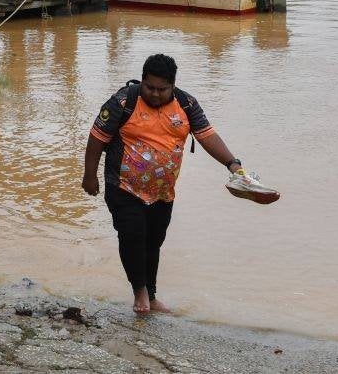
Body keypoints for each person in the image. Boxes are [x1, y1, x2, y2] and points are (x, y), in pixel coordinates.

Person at [83, 54, 259, 314]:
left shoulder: (186, 105)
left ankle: (151, 296)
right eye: (149, 87)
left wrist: (233, 165)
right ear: (141, 82)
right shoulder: (123, 101)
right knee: (133, 236)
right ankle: (140, 294)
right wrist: (89, 175)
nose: (155, 94)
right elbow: (97, 137)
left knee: (154, 242)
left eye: (162, 89)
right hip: (123, 186)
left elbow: (207, 136)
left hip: (163, 192)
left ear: (173, 85)